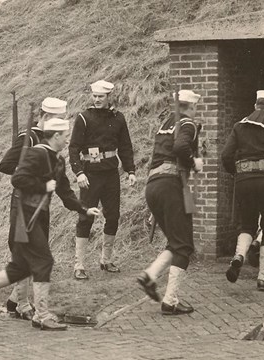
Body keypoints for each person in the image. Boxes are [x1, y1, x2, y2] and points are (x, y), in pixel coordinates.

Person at [0, 117, 101, 330]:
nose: (68, 141)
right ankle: (42, 315)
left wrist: (83, 208)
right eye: (65, 136)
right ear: (55, 136)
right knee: (44, 262)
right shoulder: (36, 153)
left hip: (37, 217)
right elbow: (17, 179)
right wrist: (43, 185)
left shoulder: (57, 160)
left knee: (20, 268)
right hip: (24, 217)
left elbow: (64, 191)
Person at [0, 97, 67, 319]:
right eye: (56, 120)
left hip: (41, 204)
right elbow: (7, 164)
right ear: (45, 118)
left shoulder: (49, 141)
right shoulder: (28, 137)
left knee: (35, 253)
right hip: (24, 203)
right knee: (28, 253)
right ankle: (23, 304)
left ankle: (15, 300)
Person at [137, 89, 202, 315]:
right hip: (171, 185)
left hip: (153, 185)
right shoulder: (188, 123)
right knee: (184, 247)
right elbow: (180, 148)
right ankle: (170, 300)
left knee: (176, 241)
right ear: (191, 107)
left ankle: (150, 275)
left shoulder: (164, 124)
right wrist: (194, 162)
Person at [221, 90, 264, 291]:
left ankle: (238, 256)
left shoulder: (239, 126)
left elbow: (226, 156)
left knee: (247, 224)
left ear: (255, 106)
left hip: (243, 180)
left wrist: (238, 173)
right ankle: (263, 278)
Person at [69, 80, 136, 280]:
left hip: (110, 173)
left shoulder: (118, 118)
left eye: (101, 97)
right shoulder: (84, 118)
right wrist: (79, 173)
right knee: (85, 217)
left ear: (109, 97)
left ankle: (106, 260)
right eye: (95, 96)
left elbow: (125, 146)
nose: (97, 100)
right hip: (90, 174)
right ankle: (79, 265)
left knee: (113, 216)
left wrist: (130, 170)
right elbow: (73, 148)